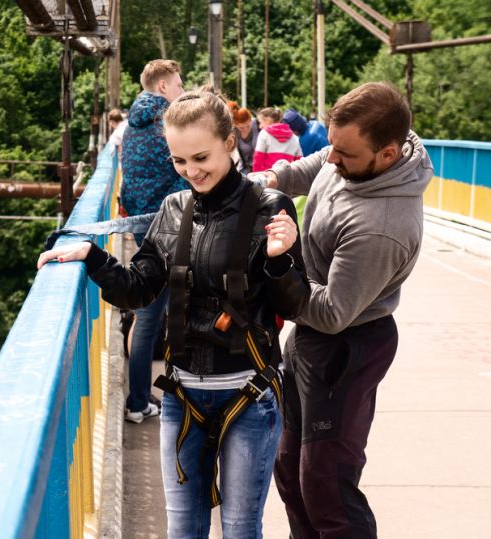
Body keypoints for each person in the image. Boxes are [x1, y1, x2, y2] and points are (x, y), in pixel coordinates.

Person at [38, 88, 310, 538]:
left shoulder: (269, 209)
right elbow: (138, 290)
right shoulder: (172, 210)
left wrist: (280, 260)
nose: (191, 172)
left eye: (200, 157)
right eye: (179, 162)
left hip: (249, 394)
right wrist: (93, 257)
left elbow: (294, 305)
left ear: (229, 142)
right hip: (182, 397)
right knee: (182, 530)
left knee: (241, 529)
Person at [257, 81, 434, 538]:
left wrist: (282, 265)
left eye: (346, 155)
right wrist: (274, 178)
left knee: (327, 486)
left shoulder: (381, 228)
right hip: (312, 338)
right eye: (333, 145)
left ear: (389, 155)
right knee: (290, 470)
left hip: (346, 345)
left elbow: (333, 312)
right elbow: (320, 164)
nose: (333, 160)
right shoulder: (361, 154)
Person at [118, 59, 189, 424]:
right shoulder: (170, 124)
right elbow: (186, 174)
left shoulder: (130, 125)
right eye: (178, 85)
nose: (181, 90)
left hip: (142, 228)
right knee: (170, 315)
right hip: (171, 229)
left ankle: (139, 401)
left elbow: (129, 181)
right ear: (163, 87)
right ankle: (161, 400)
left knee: (148, 316)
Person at [252, 107, 303, 172]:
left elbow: (258, 158)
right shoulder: (294, 138)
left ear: (268, 120)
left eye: (260, 122)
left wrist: (255, 176)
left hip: (267, 177)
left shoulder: (264, 134)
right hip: (287, 177)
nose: (260, 126)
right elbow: (300, 162)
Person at [228, 101, 258, 175]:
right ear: (235, 125)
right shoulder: (233, 132)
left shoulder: (256, 125)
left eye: (248, 126)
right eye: (241, 128)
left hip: (258, 166)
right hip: (243, 168)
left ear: (251, 120)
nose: (246, 129)